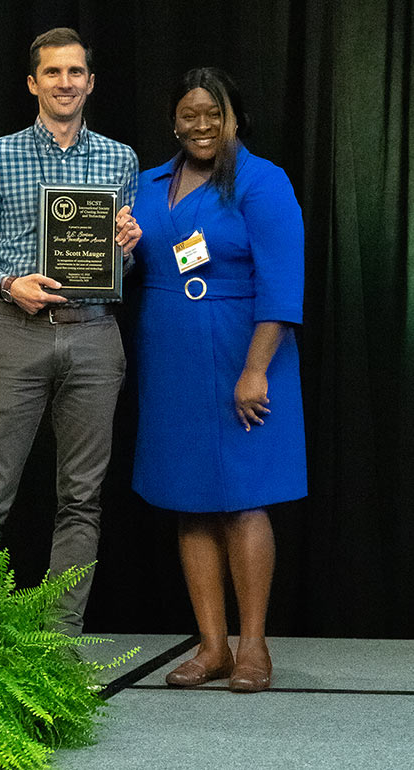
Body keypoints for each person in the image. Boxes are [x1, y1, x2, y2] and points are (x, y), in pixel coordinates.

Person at [0, 27, 141, 636]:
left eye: (76, 73)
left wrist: (128, 247)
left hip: (94, 337)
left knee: (82, 500)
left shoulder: (119, 158)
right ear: (33, 83)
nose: (66, 83)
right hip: (16, 334)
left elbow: (120, 264)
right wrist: (10, 285)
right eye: (53, 73)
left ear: (90, 82)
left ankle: (58, 645)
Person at [131, 68, 306, 691]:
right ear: (173, 121)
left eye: (214, 114)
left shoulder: (262, 181)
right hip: (170, 357)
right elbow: (128, 258)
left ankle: (253, 647)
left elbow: (283, 285)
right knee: (190, 500)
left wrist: (256, 369)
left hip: (242, 352)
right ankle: (211, 647)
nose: (201, 125)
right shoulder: (147, 183)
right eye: (188, 115)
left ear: (234, 117)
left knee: (243, 499)